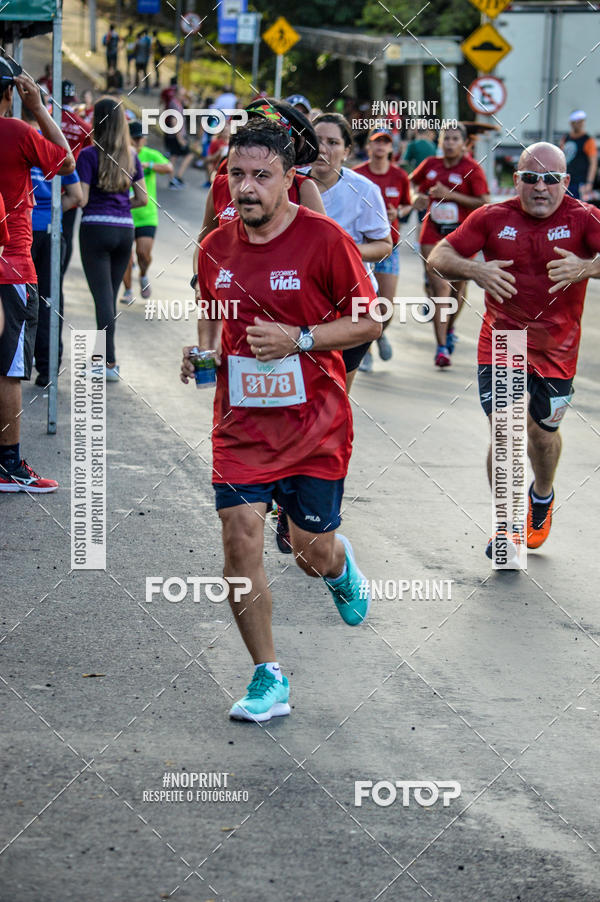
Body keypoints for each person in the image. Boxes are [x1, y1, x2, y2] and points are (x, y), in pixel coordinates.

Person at [181, 119, 381, 722]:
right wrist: (206, 352)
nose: (246, 188)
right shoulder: (214, 245)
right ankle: (268, 676)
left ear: (289, 179)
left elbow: (370, 322)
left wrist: (299, 339)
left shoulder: (324, 240)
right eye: (237, 174)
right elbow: (213, 312)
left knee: (307, 550)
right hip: (241, 427)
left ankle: (338, 565)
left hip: (314, 426)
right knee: (239, 537)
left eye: (261, 176)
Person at [428, 142, 600, 555]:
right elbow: (439, 253)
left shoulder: (585, 219)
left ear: (566, 183)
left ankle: (540, 496)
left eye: (550, 179)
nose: (540, 188)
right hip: (503, 340)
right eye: (530, 178)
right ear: (516, 180)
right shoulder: (492, 217)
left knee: (542, 436)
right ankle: (506, 525)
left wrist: (586, 268)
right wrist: (476, 269)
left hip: (558, 347)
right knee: (506, 430)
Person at [0, 63, 75, 493]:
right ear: (10, 92)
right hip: (9, 266)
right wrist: (41, 109)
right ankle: (8, 463)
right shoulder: (15, 130)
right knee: (7, 370)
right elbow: (65, 161)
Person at [309, 113, 392, 389]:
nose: (323, 149)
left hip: (352, 304)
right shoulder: (288, 182)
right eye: (317, 140)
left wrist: (343, 250)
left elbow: (384, 246)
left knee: (335, 394)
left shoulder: (364, 190)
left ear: (346, 152)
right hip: (302, 300)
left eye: (332, 142)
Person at [76, 97, 147, 381]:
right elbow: (142, 198)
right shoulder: (132, 156)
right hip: (124, 230)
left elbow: (80, 198)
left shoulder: (88, 155)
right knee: (110, 299)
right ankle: (105, 361)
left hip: (95, 228)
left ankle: (107, 363)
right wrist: (119, 208)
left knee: (103, 300)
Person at [411, 124, 490, 368]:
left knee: (457, 289)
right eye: (446, 138)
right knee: (440, 288)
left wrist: (451, 194)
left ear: (464, 144)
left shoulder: (471, 169)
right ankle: (442, 347)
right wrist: (416, 198)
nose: (449, 143)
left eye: (455, 139)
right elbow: (411, 185)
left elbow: (483, 202)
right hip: (432, 234)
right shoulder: (430, 165)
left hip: (462, 238)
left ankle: (449, 327)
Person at [197, 99, 324, 238]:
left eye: (269, 134)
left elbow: (321, 246)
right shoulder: (220, 185)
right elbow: (204, 246)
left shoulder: (303, 188)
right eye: (250, 130)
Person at [21, 103, 83, 386]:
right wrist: (52, 213)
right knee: (48, 298)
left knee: (16, 297)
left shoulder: (13, 138)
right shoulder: (52, 146)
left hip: (19, 228)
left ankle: (16, 363)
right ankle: (48, 367)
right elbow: (76, 195)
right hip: (50, 230)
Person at [354, 128, 413, 370]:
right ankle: (364, 350)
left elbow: (408, 206)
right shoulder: (357, 175)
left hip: (389, 246)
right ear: (369, 147)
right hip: (360, 247)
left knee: (386, 306)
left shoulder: (399, 176)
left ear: (391, 148)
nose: (381, 147)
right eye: (377, 142)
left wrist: (397, 213)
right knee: (363, 303)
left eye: (385, 143)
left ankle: (378, 333)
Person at [121, 120, 173, 304]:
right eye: (135, 138)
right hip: (125, 212)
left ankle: (143, 275)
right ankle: (127, 290)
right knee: (126, 256)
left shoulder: (151, 154)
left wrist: (146, 166)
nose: (138, 142)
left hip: (146, 214)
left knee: (143, 254)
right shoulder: (121, 154)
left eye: (141, 138)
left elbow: (169, 168)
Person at [60, 80, 92, 277]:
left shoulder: (46, 117)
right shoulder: (83, 126)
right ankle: (60, 273)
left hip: (42, 185)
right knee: (67, 234)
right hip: (71, 186)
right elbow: (88, 152)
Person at [560, 111, 597, 201]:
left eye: (582, 121)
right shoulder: (566, 138)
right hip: (566, 181)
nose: (581, 124)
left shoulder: (588, 140)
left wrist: (589, 183)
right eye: (578, 122)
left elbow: (593, 163)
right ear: (572, 123)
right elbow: (560, 159)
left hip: (580, 183)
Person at [164, 84, 194, 188]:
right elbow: (174, 121)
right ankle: (175, 178)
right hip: (176, 135)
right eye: (182, 94)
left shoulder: (178, 103)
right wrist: (180, 138)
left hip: (177, 134)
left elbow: (189, 103)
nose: (184, 96)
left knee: (174, 156)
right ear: (176, 94)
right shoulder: (175, 105)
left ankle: (174, 179)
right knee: (186, 155)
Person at [134, 29, 152, 94]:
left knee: (137, 73)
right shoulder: (148, 40)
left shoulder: (138, 41)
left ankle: (136, 86)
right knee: (145, 73)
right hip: (145, 60)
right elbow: (150, 50)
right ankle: (146, 87)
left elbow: (135, 50)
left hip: (138, 60)